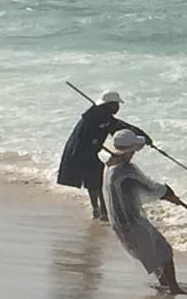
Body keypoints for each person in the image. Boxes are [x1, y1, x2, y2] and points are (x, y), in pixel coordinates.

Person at [101, 128, 187, 293]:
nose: (134, 153)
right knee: (164, 251)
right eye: (133, 150)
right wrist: (169, 194)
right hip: (131, 222)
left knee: (153, 252)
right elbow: (151, 188)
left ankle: (165, 283)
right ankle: (174, 288)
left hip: (119, 222)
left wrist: (167, 195)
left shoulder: (110, 166)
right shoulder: (126, 171)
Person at [57, 90, 146, 221]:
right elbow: (116, 126)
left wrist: (142, 135)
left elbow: (119, 126)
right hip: (81, 152)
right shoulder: (97, 117)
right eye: (116, 105)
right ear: (110, 105)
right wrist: (140, 136)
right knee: (95, 181)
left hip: (87, 151)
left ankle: (99, 210)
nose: (118, 108)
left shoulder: (102, 115)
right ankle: (102, 211)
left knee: (94, 180)